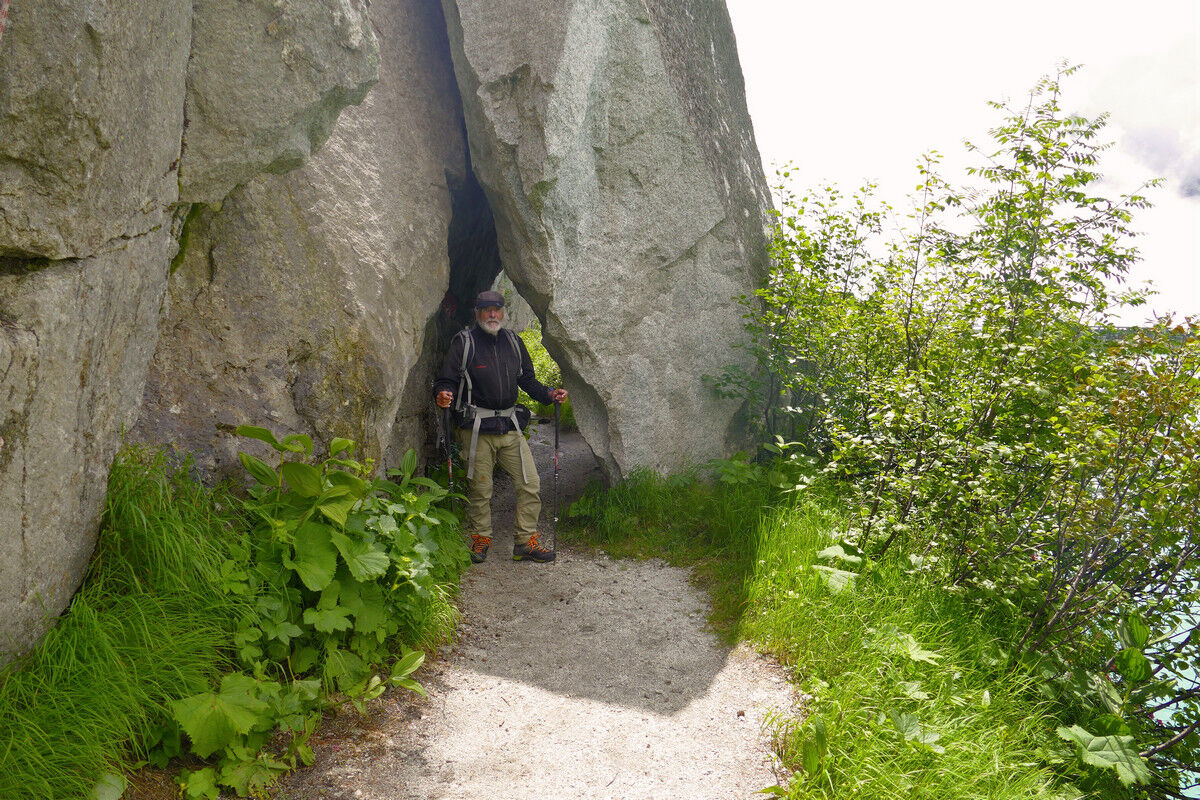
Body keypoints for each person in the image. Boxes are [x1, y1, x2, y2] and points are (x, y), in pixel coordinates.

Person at [434, 290, 568, 564]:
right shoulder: (464, 343)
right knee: (481, 488)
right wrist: (443, 394)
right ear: (477, 313)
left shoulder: (513, 342)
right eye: (486, 309)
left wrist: (549, 394)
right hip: (476, 428)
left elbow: (527, 381)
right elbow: (445, 379)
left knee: (530, 483)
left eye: (496, 309)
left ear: (502, 312)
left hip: (509, 427)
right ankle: (480, 538)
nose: (492, 314)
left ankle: (525, 542)